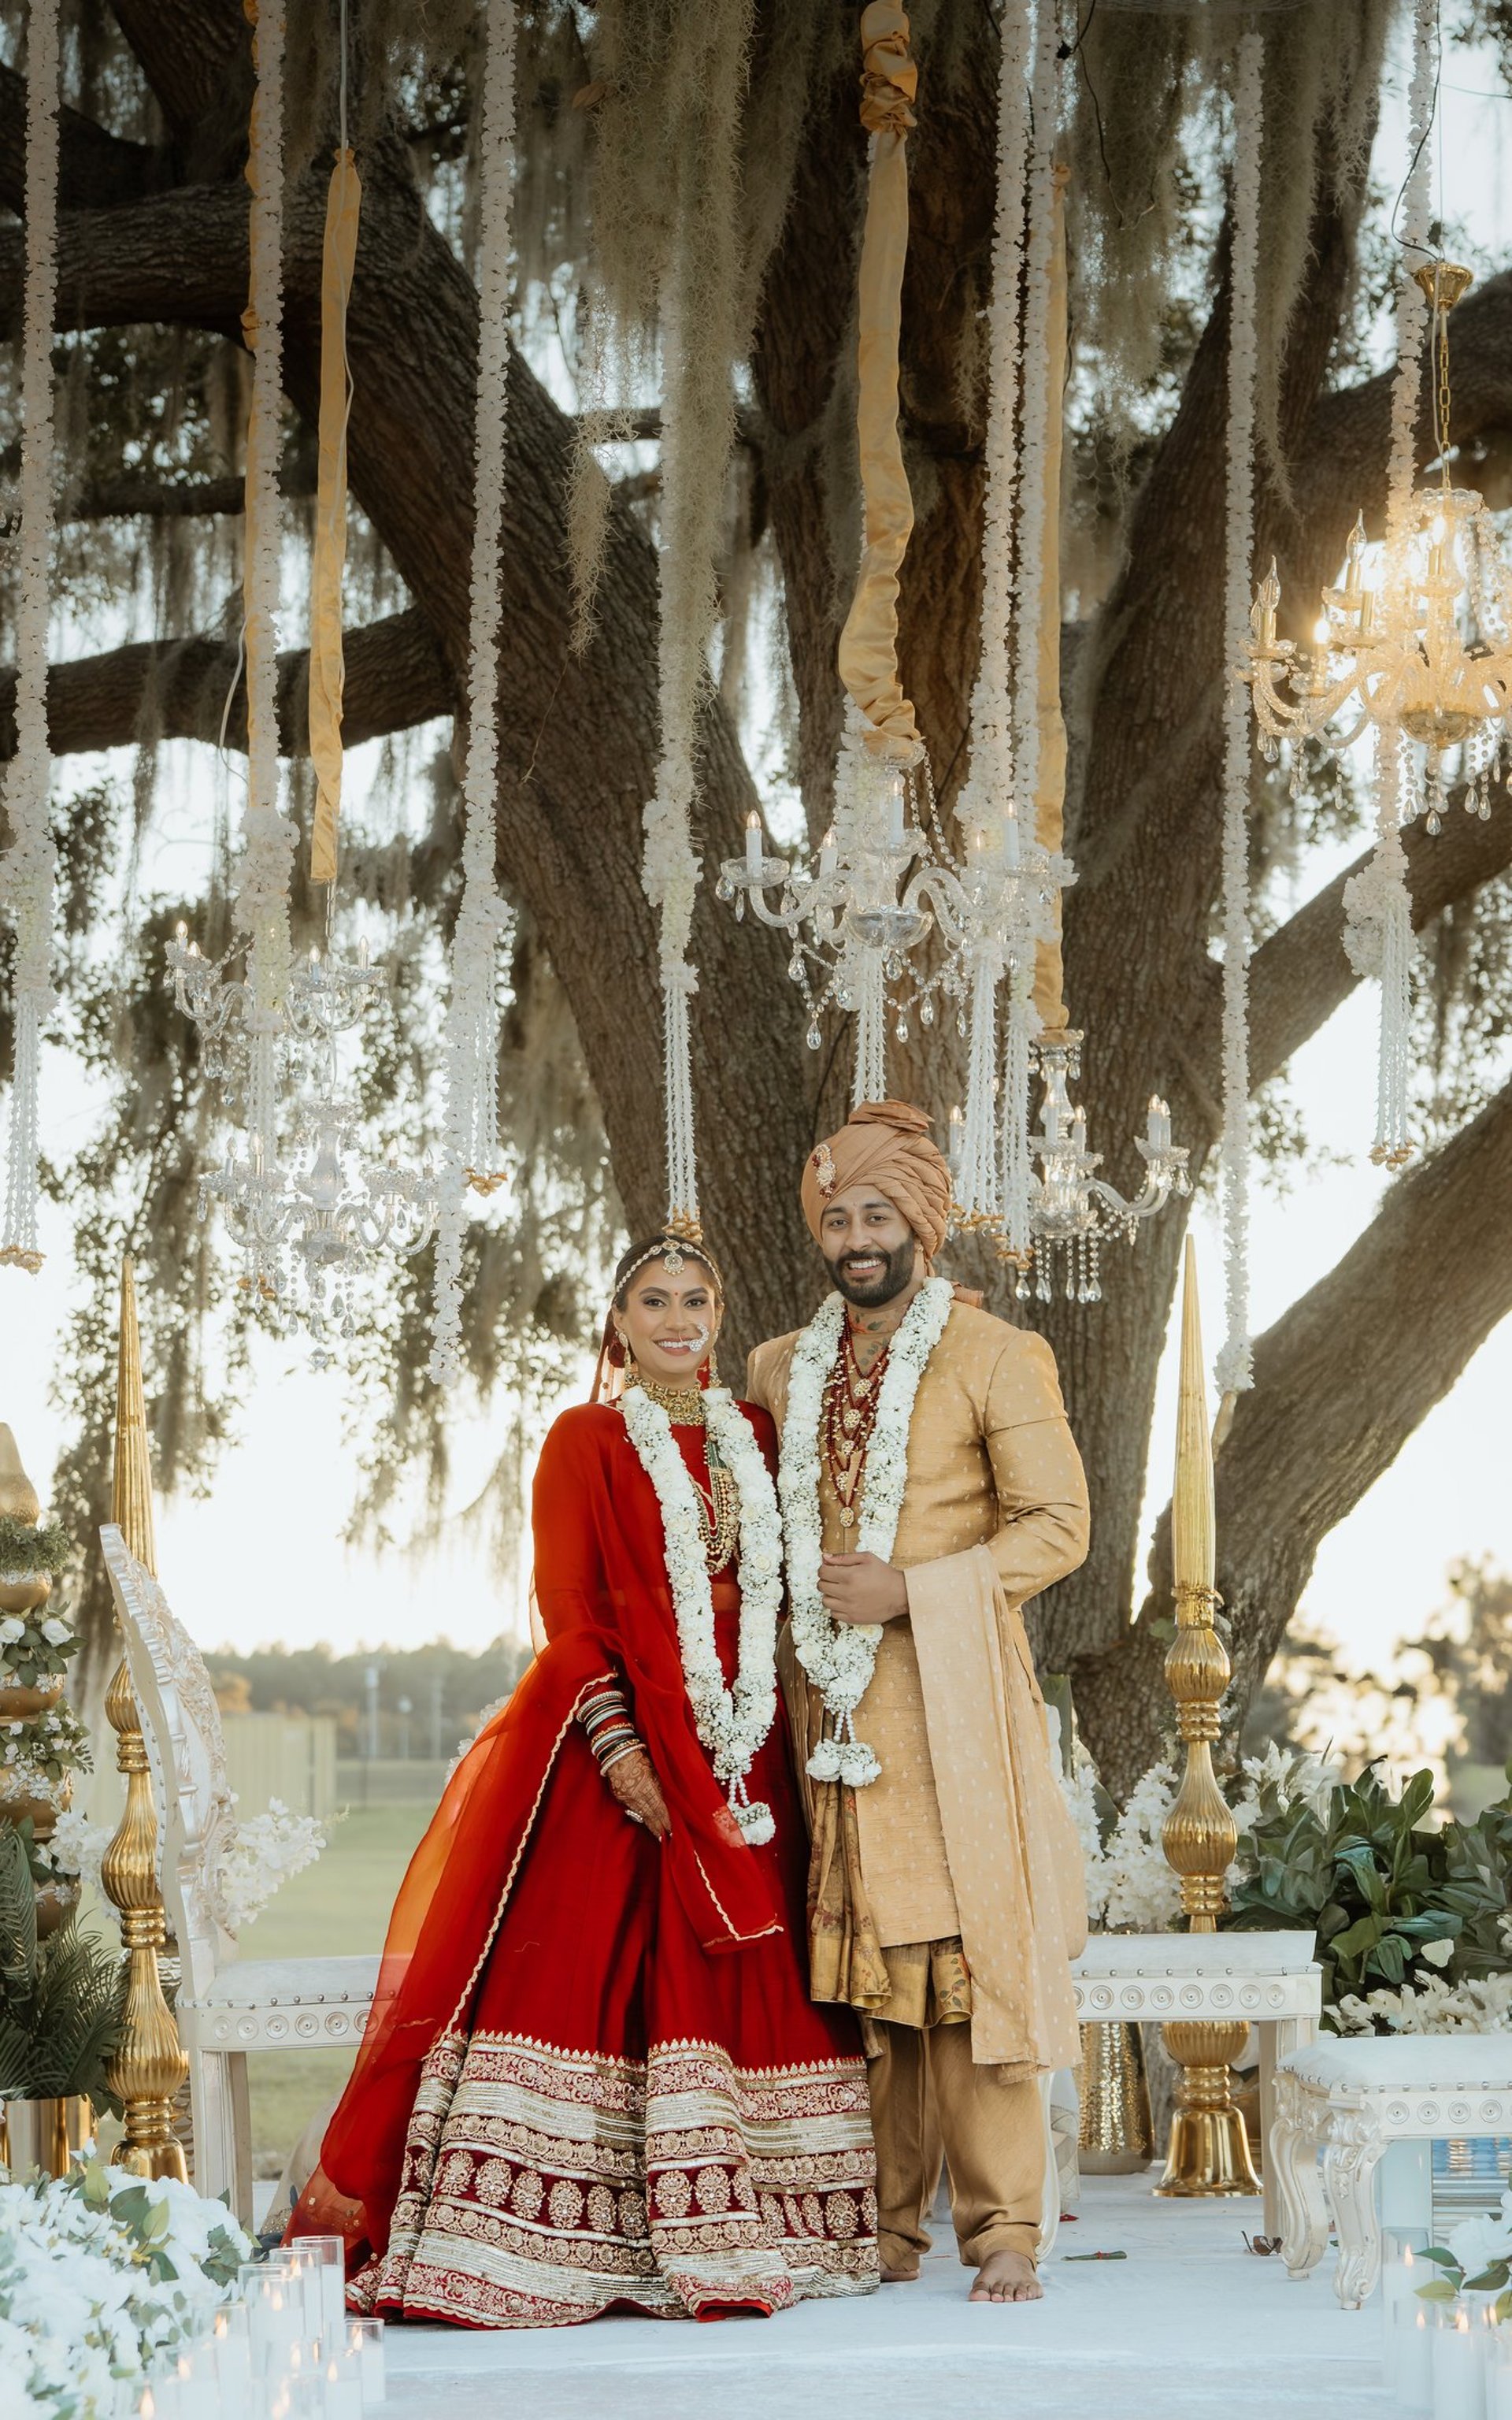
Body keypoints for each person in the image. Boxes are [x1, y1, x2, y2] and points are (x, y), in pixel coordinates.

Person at [289, 1233, 878, 2326]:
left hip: (747, 1753)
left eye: (696, 1298)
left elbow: (782, 1593)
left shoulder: (755, 1434)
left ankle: (767, 2218)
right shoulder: (584, 1439)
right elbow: (568, 1615)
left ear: (718, 1313)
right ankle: (562, 2234)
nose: (675, 1318)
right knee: (602, 1977)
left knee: (757, 1975)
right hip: (626, 1757)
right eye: (652, 1300)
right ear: (617, 1323)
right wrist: (624, 1753)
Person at [745, 1099, 1090, 2306]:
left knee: (970, 1962)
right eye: (836, 1217)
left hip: (951, 1706)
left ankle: (1004, 2229)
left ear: (922, 1227)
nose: (855, 1236)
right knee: (862, 1983)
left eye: (877, 1214)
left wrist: (912, 1591)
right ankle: (878, 2224)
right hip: (825, 1719)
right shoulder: (779, 1368)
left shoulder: (997, 1354)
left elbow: (1059, 1527)